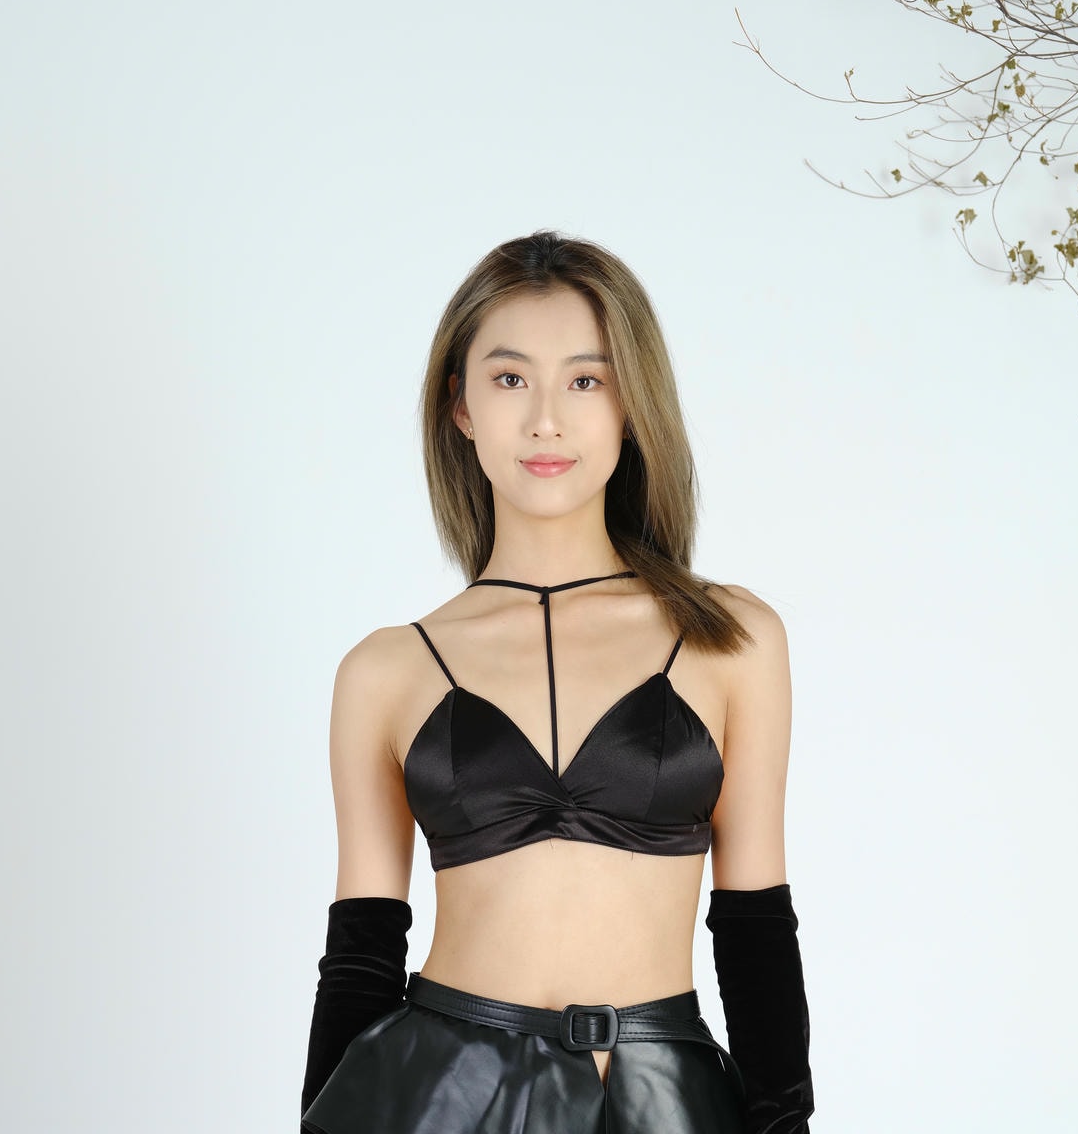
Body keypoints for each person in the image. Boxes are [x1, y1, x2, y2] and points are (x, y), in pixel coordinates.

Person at [299, 231, 814, 1133]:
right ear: (460, 406)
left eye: (585, 381)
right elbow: (361, 956)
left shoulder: (731, 639)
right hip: (439, 1097)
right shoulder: (384, 671)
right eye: (509, 378)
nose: (545, 419)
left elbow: (755, 927)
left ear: (632, 404)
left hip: (663, 1101)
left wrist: (784, 1121)